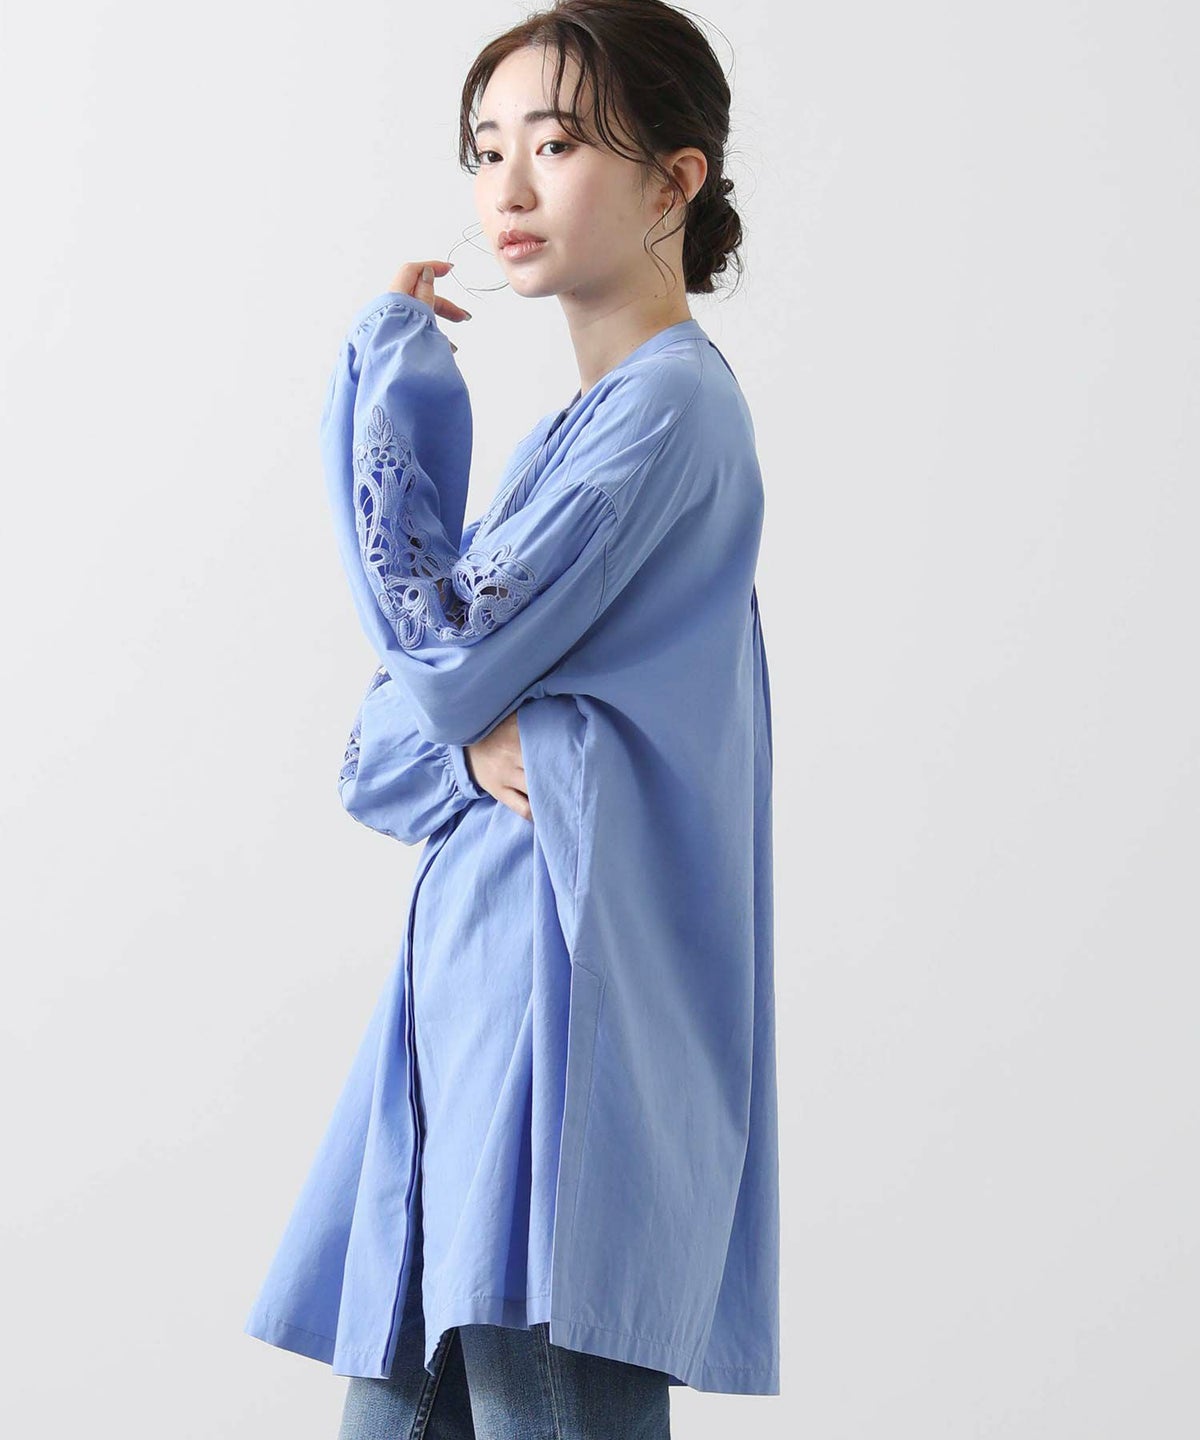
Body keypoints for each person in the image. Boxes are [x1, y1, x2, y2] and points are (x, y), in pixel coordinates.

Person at [243, 3, 779, 1434]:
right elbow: (382, 754)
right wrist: (477, 739)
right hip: (464, 1046)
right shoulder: (579, 430)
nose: (510, 187)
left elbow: (435, 667)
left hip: (558, 1055)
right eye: (487, 150)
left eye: (559, 142)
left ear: (675, 180)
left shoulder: (667, 415)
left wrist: (386, 394)